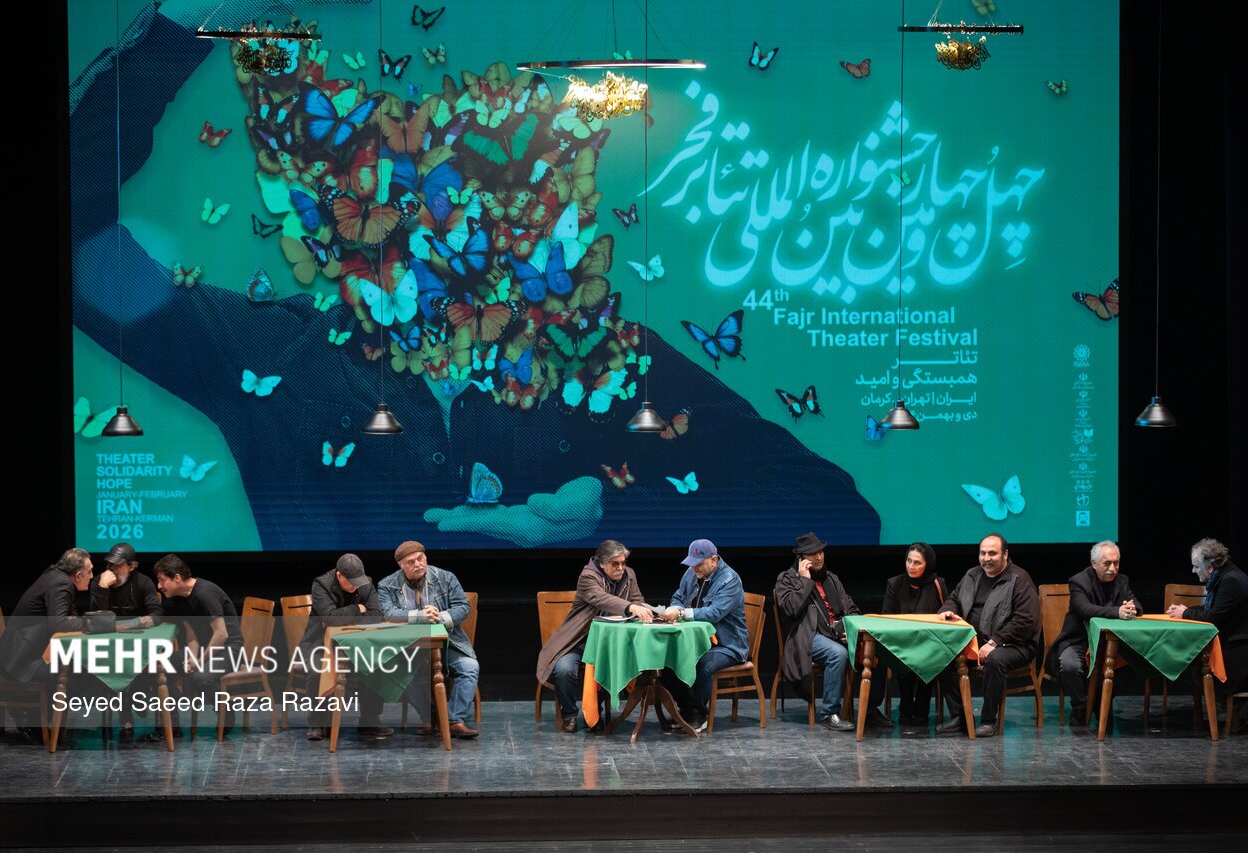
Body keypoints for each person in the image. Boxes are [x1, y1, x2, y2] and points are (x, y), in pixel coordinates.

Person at [67, 6, 882, 553]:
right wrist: (185, 21)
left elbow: (836, 508)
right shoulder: (278, 353)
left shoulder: (605, 362)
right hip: (350, 696)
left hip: (566, 696)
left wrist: (611, 514)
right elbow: (70, 234)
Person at [535, 539, 652, 732]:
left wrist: (645, 609)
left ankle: (595, 713)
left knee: (618, 667)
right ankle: (569, 714)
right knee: (564, 670)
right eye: (615, 564)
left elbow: (637, 599)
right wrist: (630, 607)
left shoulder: (629, 575)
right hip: (579, 641)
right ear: (603, 563)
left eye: (623, 563)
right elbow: (601, 598)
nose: (621, 568)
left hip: (610, 643)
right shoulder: (588, 576)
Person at [937, 534, 1040, 737]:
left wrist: (995, 642)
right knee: (941, 655)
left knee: (995, 660)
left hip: (1015, 644)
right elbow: (954, 599)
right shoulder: (972, 575)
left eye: (992, 553)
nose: (986, 558)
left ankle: (988, 720)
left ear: (1005, 555)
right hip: (976, 641)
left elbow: (1025, 620)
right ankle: (960, 716)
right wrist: (947, 610)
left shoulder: (1019, 579)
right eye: (983, 553)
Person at [376, 541, 480, 739]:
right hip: (409, 647)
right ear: (401, 565)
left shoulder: (446, 578)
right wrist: (420, 616)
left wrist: (439, 617)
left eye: (420, 558)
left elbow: (463, 607)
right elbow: (387, 613)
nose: (418, 564)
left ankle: (454, 721)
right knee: (403, 672)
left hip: (448, 644)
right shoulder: (387, 585)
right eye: (411, 562)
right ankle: (430, 717)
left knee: (470, 667)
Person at [776, 532, 874, 731]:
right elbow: (791, 609)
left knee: (874, 649)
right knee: (838, 654)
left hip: (835, 634)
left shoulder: (831, 578)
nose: (819, 557)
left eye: (821, 552)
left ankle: (871, 711)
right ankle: (829, 713)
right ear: (801, 559)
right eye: (813, 554)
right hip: (807, 636)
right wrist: (805, 581)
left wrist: (850, 630)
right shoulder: (787, 579)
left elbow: (851, 608)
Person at [0, 549, 92, 744]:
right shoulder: (61, 583)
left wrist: (79, 622)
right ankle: (29, 716)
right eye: (89, 572)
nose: (92, 576)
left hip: (22, 653)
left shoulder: (55, 575)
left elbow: (70, 617)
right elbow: (60, 624)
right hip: (20, 661)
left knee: (77, 671)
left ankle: (37, 717)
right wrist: (92, 624)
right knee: (73, 677)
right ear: (78, 574)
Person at [1045, 541, 1141, 726]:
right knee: (1070, 666)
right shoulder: (1079, 581)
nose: (1113, 568)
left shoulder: (1122, 580)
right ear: (1094, 563)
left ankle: (1099, 699)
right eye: (1107, 563)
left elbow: (1136, 604)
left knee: (1136, 664)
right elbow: (1084, 609)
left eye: (1116, 563)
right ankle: (1080, 706)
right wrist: (1117, 612)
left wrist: (1132, 608)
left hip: (1111, 642)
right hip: (1079, 639)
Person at [1169, 538, 1248, 724]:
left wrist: (1186, 613)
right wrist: (1186, 611)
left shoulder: (1231, 581)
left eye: (1196, 566)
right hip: (1237, 640)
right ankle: (1234, 706)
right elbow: (1212, 609)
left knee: (1200, 667)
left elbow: (1212, 618)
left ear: (1210, 567)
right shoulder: (1224, 576)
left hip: (1246, 648)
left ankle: (1240, 707)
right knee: (1195, 663)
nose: (1193, 570)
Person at [659, 539, 747, 732]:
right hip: (698, 641)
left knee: (703, 665)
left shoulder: (730, 580)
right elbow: (678, 597)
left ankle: (699, 714)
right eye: (691, 564)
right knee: (666, 661)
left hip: (728, 644)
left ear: (713, 560)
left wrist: (681, 613)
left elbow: (714, 613)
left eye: (698, 564)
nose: (694, 568)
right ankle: (687, 710)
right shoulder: (692, 573)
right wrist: (674, 607)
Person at [153, 553, 243, 739]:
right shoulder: (179, 597)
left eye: (162, 580)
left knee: (201, 677)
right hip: (204, 648)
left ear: (177, 578)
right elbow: (192, 636)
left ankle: (226, 712)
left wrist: (199, 661)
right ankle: (172, 726)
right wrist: (193, 658)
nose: (159, 586)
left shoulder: (205, 594)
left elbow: (222, 634)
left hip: (229, 649)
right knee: (160, 665)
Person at [300, 554, 390, 741]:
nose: (356, 586)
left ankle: (369, 720)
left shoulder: (366, 583)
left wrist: (345, 618)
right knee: (317, 669)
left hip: (358, 642)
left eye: (359, 581)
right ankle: (316, 721)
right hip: (320, 642)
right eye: (351, 582)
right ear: (339, 575)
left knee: (379, 665)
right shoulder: (321, 585)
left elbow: (376, 615)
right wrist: (358, 609)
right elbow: (330, 618)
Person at [89, 542, 165, 737]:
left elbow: (156, 614)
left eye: (117, 565)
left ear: (131, 566)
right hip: (110, 645)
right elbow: (95, 619)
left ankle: (136, 698)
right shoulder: (99, 582)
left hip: (138, 641)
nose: (111, 569)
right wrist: (103, 588)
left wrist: (129, 624)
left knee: (142, 660)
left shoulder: (143, 582)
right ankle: (126, 708)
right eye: (109, 564)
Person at [881, 542, 950, 730]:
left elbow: (947, 611)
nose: (911, 566)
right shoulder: (895, 584)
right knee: (904, 659)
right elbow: (885, 618)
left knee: (929, 658)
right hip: (901, 644)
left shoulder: (938, 584)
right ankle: (906, 707)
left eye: (917, 563)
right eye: (909, 561)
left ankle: (921, 709)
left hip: (930, 644)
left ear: (928, 564)